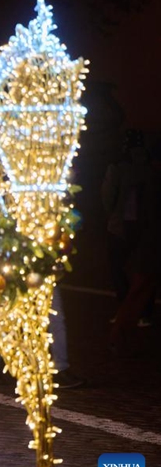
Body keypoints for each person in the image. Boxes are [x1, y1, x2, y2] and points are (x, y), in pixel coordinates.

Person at [108, 138, 161, 355]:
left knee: (137, 292)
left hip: (150, 244)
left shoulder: (148, 180)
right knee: (138, 292)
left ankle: (117, 338)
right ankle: (118, 338)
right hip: (152, 244)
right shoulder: (152, 180)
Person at [101, 129, 155, 327]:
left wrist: (111, 214)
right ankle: (144, 313)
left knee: (117, 268)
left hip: (119, 226)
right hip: (146, 227)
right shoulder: (150, 169)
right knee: (144, 271)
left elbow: (108, 197)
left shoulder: (117, 167)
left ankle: (125, 308)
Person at [0, 291, 85, 389]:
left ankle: (60, 369)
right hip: (19, 276)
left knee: (56, 317)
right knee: (9, 317)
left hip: (45, 275)